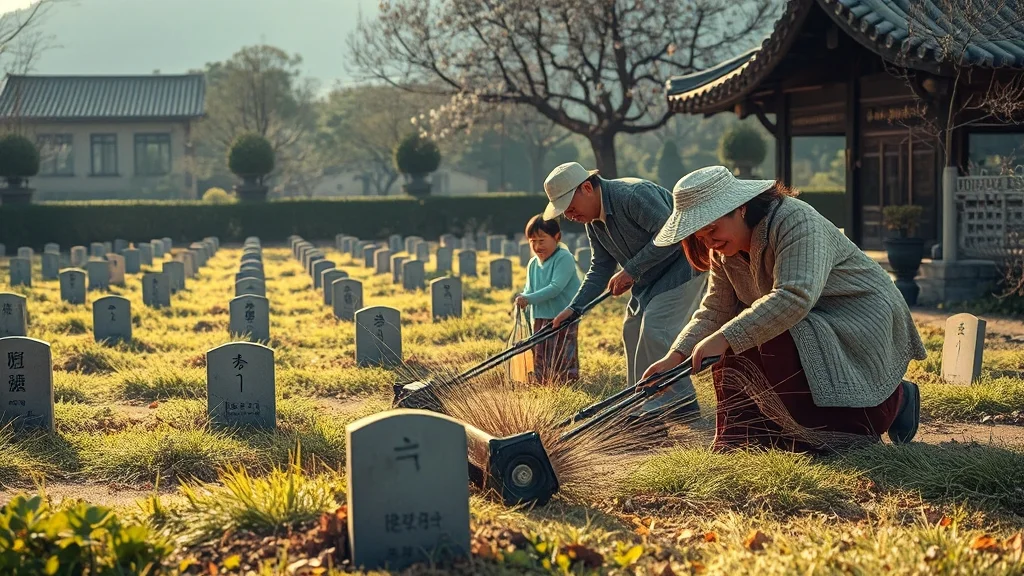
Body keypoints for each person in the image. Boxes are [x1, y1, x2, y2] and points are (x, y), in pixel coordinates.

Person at [642, 165, 926, 450]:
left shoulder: (795, 220)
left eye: (713, 229)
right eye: (701, 237)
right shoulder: (723, 252)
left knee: (756, 337)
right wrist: (674, 357)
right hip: (806, 321)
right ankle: (752, 440)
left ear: (740, 208)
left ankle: (892, 401)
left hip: (859, 315)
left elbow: (794, 296)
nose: (709, 241)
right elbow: (716, 311)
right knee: (740, 338)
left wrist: (724, 338)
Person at [543, 161, 709, 421]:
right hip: (648, 280)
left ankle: (681, 404)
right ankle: (641, 401)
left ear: (586, 187)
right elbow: (600, 268)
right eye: (565, 212)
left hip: (683, 269)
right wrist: (574, 308)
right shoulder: (593, 223)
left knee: (656, 330)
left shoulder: (633, 195)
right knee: (631, 331)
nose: (569, 216)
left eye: (571, 208)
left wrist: (631, 270)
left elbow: (673, 235)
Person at [514, 215, 583, 384]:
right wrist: (523, 299)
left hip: (562, 316)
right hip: (539, 316)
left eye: (542, 240)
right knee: (541, 351)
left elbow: (555, 287)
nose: (537, 246)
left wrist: (528, 298)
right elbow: (529, 289)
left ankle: (565, 384)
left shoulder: (564, 258)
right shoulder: (533, 264)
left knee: (561, 352)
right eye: (533, 241)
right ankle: (542, 383)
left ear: (557, 237)